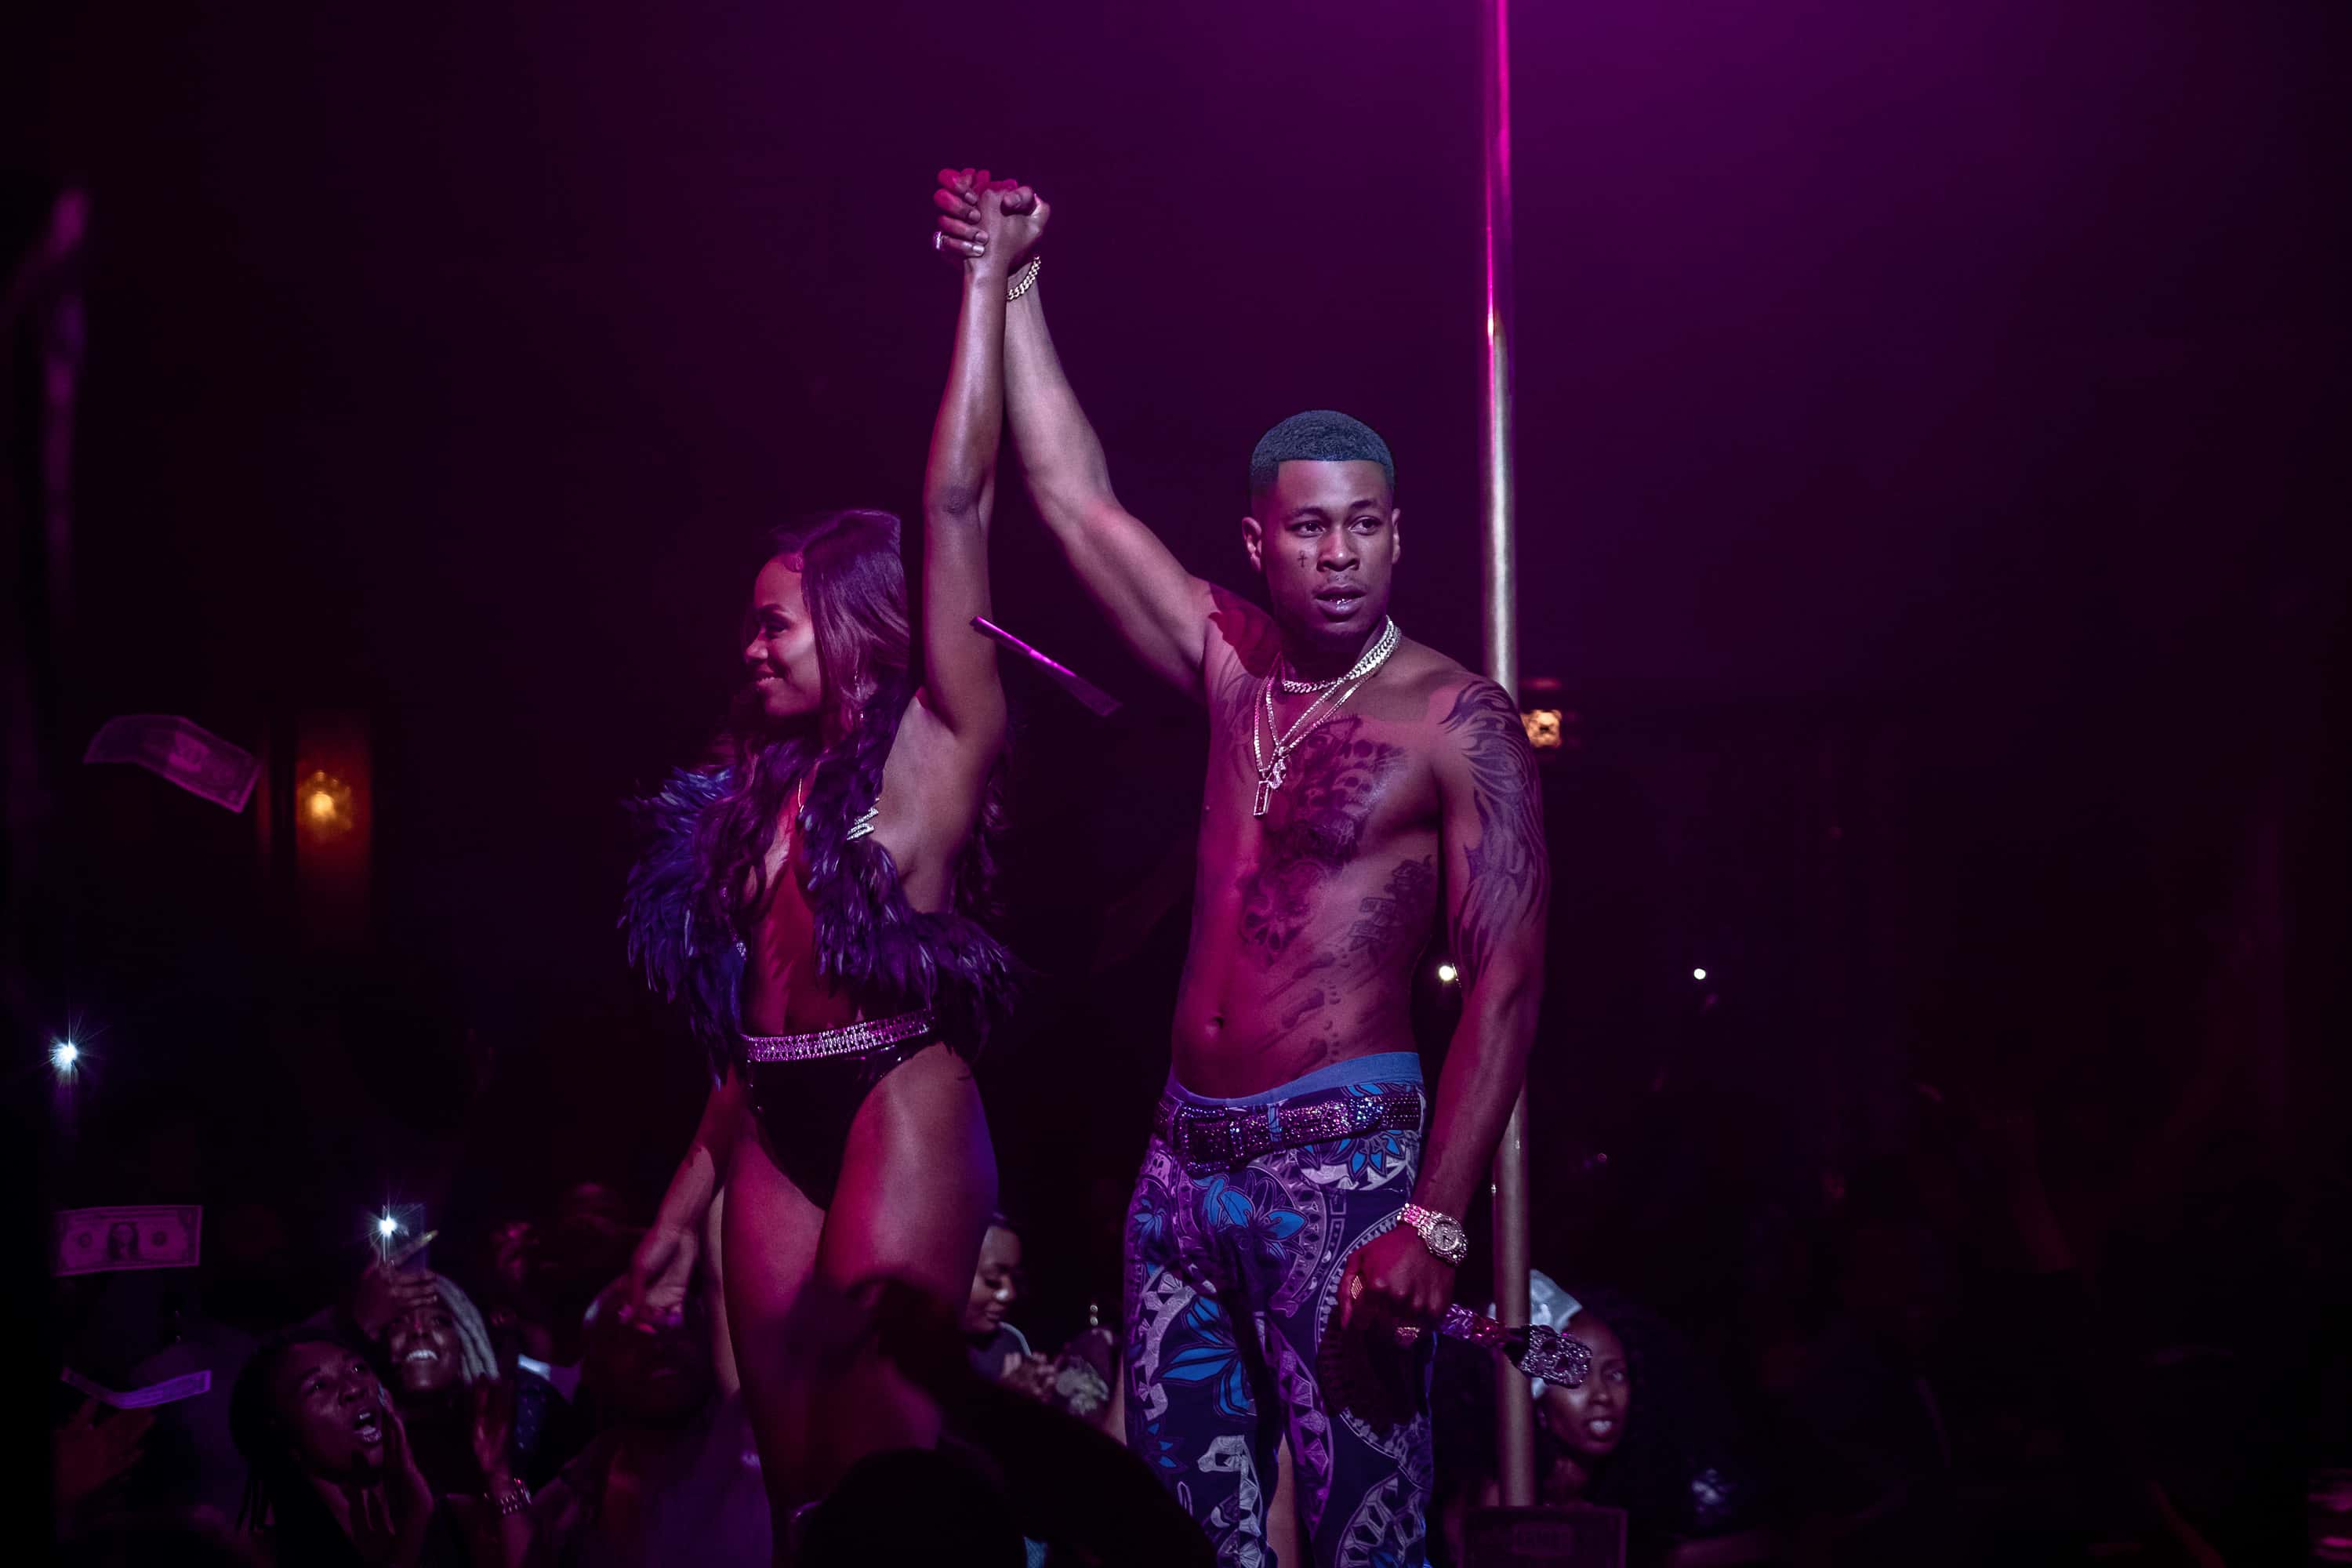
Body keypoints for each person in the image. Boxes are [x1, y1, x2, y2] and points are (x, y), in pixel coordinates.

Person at [933, 172, 1552, 1566]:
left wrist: (1437, 1224)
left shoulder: (1459, 721)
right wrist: (1019, 281)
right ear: (1261, 541)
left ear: (1398, 532)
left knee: (1364, 1533)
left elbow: (1508, 987)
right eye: (1312, 528)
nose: (1340, 554)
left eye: (1366, 524)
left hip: (1347, 1169)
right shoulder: (1232, 663)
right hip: (1181, 1163)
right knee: (1183, 1539)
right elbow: (1073, 501)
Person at [622, 176, 1025, 1525]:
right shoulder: (755, 798)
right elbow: (739, 1048)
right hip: (770, 1116)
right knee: (793, 1486)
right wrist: (674, 1217)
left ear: (850, 622)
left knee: (881, 1482)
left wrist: (984, 284)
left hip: (893, 1095)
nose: (749, 647)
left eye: (774, 623)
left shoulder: (937, 743)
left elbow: (957, 503)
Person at [227, 1327, 521, 1567]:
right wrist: (415, 1521)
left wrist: (500, 1479)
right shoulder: (264, 1556)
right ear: (280, 1432)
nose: (354, 1388)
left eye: (358, 1368)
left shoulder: (458, 1518)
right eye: (318, 1386)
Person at [522, 1281, 768, 1566]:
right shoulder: (570, 1498)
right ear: (595, 1370)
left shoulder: (755, 1455)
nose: (659, 1345)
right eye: (631, 1333)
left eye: (677, 1324)